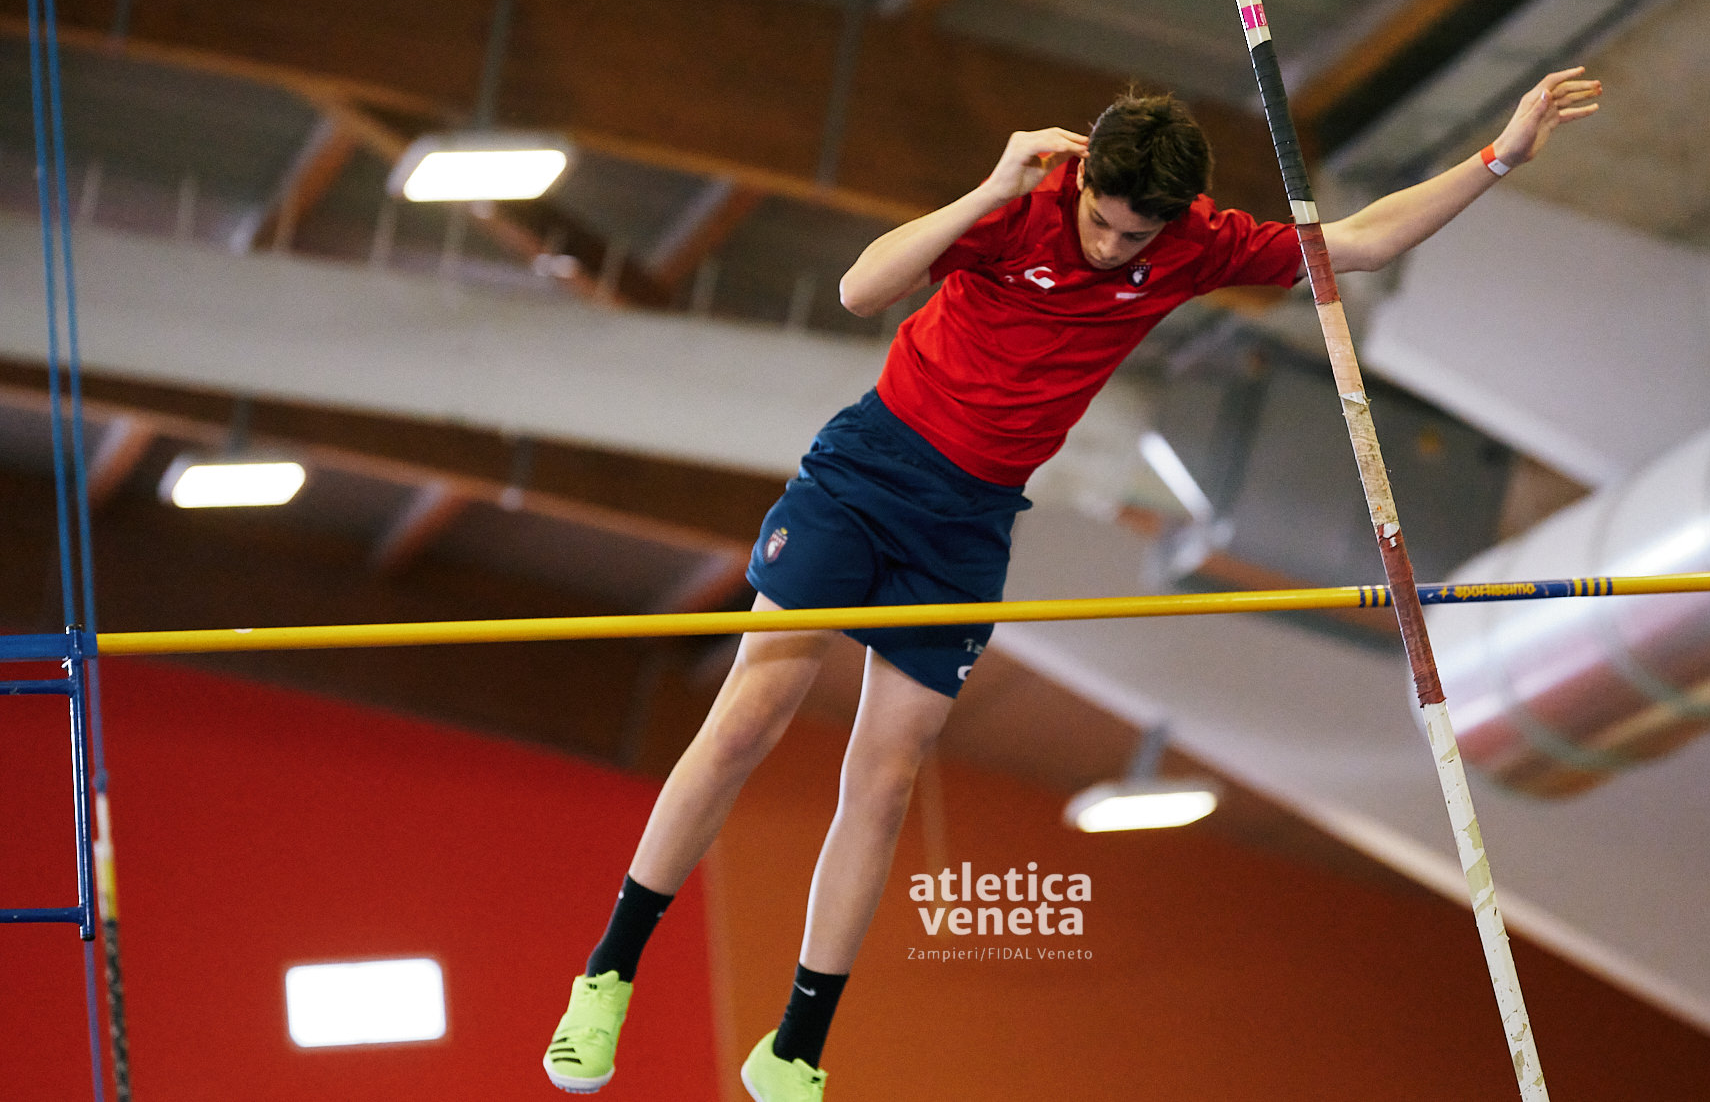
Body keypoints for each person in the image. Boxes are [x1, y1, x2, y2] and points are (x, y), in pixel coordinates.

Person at [541, 70, 1602, 1101]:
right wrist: (988, 190)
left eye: (1133, 237)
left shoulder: (1193, 243)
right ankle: (607, 974)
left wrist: (1498, 157)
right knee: (748, 716)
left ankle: (795, 1049)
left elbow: (1359, 241)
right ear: (1081, 177)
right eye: (1099, 221)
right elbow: (860, 288)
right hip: (866, 476)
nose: (1109, 247)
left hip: (969, 523)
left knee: (888, 776)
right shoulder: (1022, 205)